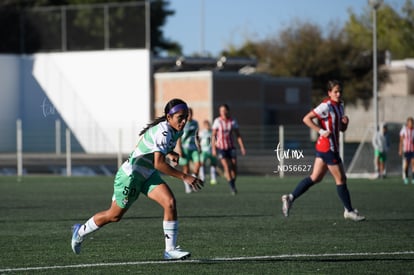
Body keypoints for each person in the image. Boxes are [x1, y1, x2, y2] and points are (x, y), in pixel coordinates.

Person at [70, 98, 203, 260]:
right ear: (169, 117)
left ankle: (170, 250)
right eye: (180, 117)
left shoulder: (176, 130)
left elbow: (154, 148)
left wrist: (170, 153)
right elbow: (159, 164)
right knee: (114, 216)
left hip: (147, 174)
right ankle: (80, 231)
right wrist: (184, 176)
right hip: (130, 176)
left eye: (186, 117)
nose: (183, 121)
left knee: (170, 203)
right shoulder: (164, 131)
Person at [281, 80, 365, 221]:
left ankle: (290, 197)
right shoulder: (325, 106)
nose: (338, 94)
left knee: (316, 177)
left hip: (325, 147)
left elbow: (340, 129)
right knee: (341, 179)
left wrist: (345, 124)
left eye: (340, 91)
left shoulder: (340, 106)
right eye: (335, 91)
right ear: (329, 93)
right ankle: (349, 211)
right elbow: (306, 119)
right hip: (328, 147)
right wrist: (320, 130)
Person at [211, 104, 246, 195]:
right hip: (221, 148)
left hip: (231, 147)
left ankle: (232, 182)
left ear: (227, 111)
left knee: (234, 167)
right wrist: (213, 149)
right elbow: (213, 136)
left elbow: (238, 135)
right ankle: (232, 188)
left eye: (224, 110)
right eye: (221, 110)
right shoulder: (217, 121)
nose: (222, 112)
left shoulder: (233, 121)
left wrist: (242, 147)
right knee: (226, 166)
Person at [176, 108, 201, 193]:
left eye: (191, 113)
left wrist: (199, 145)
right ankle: (187, 186)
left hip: (194, 148)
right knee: (186, 169)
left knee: (198, 166)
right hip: (184, 149)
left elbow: (197, 135)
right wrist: (179, 149)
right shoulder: (182, 123)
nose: (190, 115)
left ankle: (192, 181)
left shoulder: (195, 123)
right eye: (188, 113)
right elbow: (178, 137)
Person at [198, 119, 218, 185]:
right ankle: (202, 178)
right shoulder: (201, 133)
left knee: (213, 164)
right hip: (204, 151)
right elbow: (198, 141)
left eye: (208, 124)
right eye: (206, 125)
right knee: (202, 163)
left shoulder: (212, 132)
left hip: (211, 150)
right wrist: (199, 148)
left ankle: (213, 178)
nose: (207, 126)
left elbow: (215, 140)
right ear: (204, 125)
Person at [398, 117, 414, 184]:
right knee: (407, 164)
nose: (411, 124)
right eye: (410, 122)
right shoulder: (404, 130)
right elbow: (401, 141)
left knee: (413, 163)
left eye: (412, 122)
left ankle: (413, 178)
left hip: (412, 149)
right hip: (406, 150)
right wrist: (400, 149)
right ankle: (406, 178)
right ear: (407, 123)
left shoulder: (413, 130)